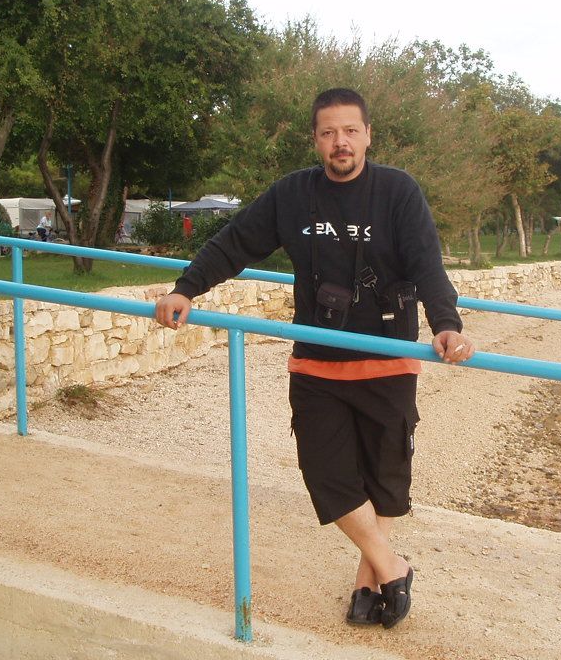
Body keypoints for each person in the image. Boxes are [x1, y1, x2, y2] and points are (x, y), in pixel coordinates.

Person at [154, 88, 473, 630]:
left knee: (385, 478)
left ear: (368, 136)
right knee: (326, 474)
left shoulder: (397, 191)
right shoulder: (292, 194)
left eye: (350, 131)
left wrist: (447, 323)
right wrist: (187, 288)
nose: (340, 142)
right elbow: (234, 243)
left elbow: (427, 264)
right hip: (317, 363)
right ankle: (393, 566)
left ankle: (368, 581)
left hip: (387, 358)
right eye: (328, 133)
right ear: (316, 140)